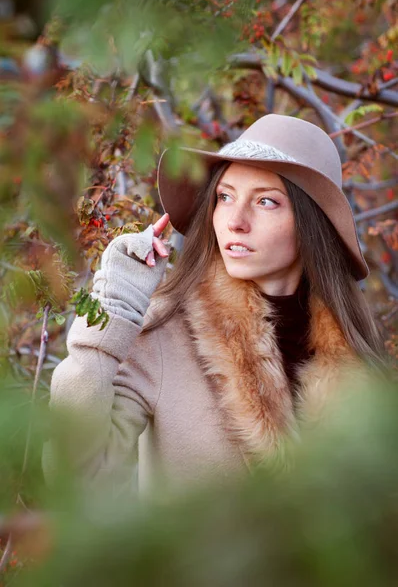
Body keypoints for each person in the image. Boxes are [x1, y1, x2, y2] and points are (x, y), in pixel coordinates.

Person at [42, 113, 389, 499]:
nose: (235, 221)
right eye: (224, 196)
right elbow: (76, 477)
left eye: (266, 201)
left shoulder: (357, 353)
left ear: (312, 222)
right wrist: (111, 312)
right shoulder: (164, 333)